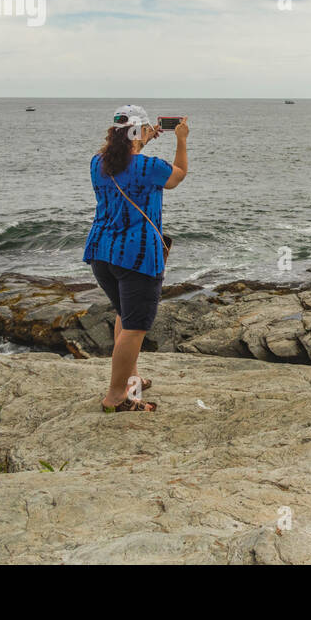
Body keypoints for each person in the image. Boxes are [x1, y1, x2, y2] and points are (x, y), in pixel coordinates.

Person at [83, 105, 188, 412]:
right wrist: (181, 139)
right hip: (137, 256)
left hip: (102, 253)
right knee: (135, 326)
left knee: (124, 315)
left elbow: (126, 161)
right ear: (139, 131)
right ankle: (116, 398)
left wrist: (143, 140)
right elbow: (177, 177)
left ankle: (132, 380)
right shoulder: (148, 167)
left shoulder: (97, 163)